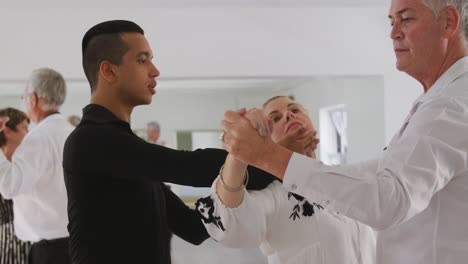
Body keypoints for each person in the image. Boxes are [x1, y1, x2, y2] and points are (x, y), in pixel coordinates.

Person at [221, 0, 468, 263]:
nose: (393, 32)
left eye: (406, 19)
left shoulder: (448, 107)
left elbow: (386, 198)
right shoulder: (279, 195)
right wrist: (245, 155)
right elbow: (231, 226)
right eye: (391, 21)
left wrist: (267, 155)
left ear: (448, 22)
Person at [63, 20, 274, 264]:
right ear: (109, 71)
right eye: (143, 60)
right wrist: (278, 162)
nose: (155, 70)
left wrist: (242, 194)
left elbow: (192, 228)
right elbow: (191, 167)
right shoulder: (90, 140)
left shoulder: (128, 155)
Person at [197, 96, 375, 264]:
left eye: (295, 110)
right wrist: (239, 153)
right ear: (265, 138)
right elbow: (231, 224)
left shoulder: (343, 180)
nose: (289, 115)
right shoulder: (274, 195)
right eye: (275, 119)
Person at [0, 68, 74, 264]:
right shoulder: (73, 133)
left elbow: (9, 186)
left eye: (24, 96)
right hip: (76, 245)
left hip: (50, 252)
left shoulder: (38, 138)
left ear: (33, 98)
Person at [0, 108, 31, 264]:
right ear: (7, 131)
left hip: (31, 248)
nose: (28, 134)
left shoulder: (27, 166)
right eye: (24, 128)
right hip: (5, 249)